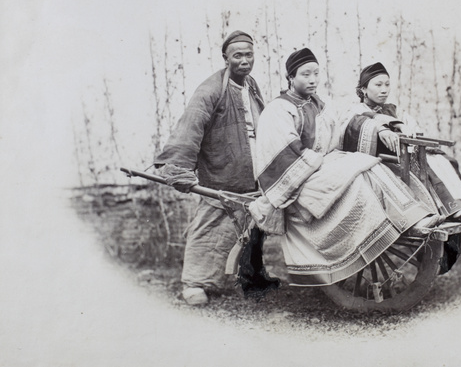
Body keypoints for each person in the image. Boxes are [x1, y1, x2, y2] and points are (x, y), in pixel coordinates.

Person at [248, 48, 441, 286]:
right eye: (305, 74)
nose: (312, 80)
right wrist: (320, 160)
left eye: (316, 73)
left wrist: (379, 127)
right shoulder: (279, 109)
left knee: (370, 164)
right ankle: (376, 231)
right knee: (358, 177)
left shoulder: (320, 104)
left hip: (322, 165)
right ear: (290, 77)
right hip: (299, 177)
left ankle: (412, 217)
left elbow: (345, 126)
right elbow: (284, 153)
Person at [154, 30, 264, 306]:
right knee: (210, 224)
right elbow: (191, 126)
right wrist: (178, 167)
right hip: (221, 170)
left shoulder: (251, 86)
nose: (244, 60)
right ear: (226, 58)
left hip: (250, 172)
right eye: (237, 55)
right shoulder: (210, 89)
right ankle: (194, 283)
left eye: (248, 54)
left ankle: (238, 277)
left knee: (243, 228)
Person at [341, 62, 461, 222]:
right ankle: (451, 209)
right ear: (363, 89)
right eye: (378, 85)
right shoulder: (356, 109)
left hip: (405, 153)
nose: (384, 90)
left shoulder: (393, 109)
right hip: (384, 160)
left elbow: (410, 125)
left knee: (442, 160)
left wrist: (410, 130)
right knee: (426, 165)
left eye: (387, 84)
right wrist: (384, 129)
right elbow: (358, 126)